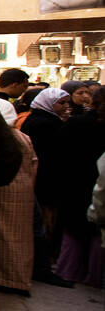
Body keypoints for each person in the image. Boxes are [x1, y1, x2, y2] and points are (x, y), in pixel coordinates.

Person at [22, 87, 74, 287]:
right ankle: (42, 266)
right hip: (44, 181)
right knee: (42, 223)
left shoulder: (39, 120)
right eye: (61, 103)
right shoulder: (46, 124)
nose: (65, 107)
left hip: (40, 180)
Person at [54, 87, 105, 286]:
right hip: (96, 181)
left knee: (73, 229)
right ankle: (95, 275)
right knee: (97, 232)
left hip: (75, 182)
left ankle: (69, 271)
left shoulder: (77, 123)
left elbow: (60, 152)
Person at [0, 104, 38, 296]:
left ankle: (7, 278)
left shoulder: (3, 138)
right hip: (23, 189)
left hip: (5, 188)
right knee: (19, 236)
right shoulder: (22, 137)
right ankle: (19, 278)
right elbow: (34, 164)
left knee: (2, 235)